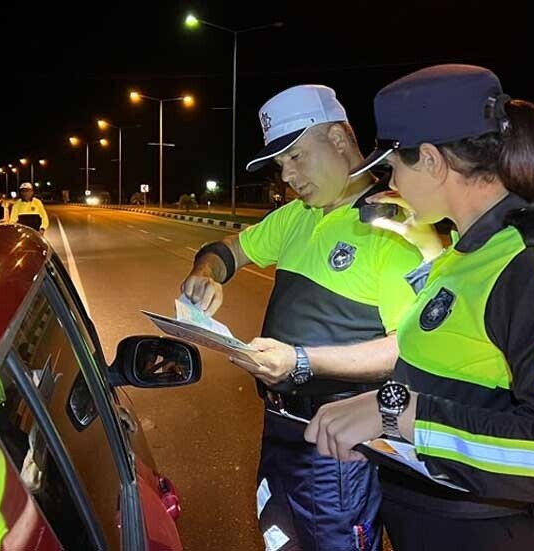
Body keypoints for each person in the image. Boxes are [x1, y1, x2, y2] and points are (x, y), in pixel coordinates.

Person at [305, 64, 534, 551]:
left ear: (430, 160)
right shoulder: (461, 252)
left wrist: (398, 413)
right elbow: (451, 384)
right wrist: (385, 429)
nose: (391, 182)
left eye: (394, 166)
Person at [180, 84, 423, 551]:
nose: (288, 176)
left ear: (338, 139)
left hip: (338, 444)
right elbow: (229, 250)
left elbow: (409, 349)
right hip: (280, 429)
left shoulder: (392, 228)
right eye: (280, 165)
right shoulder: (296, 216)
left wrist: (301, 361)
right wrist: (206, 273)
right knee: (280, 540)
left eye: (295, 156)